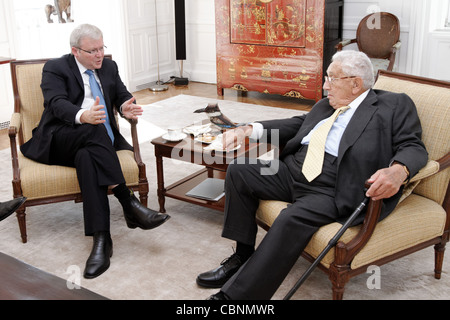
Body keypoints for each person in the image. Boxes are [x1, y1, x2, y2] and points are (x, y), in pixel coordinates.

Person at [197, 50, 428, 300]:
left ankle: (236, 299)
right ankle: (241, 256)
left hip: (333, 186)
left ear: (355, 83)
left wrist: (398, 170)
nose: (325, 85)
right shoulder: (327, 103)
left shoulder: (393, 104)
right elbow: (299, 123)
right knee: (239, 171)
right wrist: (247, 129)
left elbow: (413, 146)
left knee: (290, 219)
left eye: (331, 78)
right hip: (293, 168)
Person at [20, 24, 170, 279]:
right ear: (75, 51)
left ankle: (102, 240)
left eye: (102, 48)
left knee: (87, 157)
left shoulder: (109, 67)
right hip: (59, 138)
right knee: (93, 127)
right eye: (93, 51)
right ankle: (128, 201)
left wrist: (125, 108)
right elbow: (56, 104)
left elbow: (122, 95)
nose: (100, 54)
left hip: (94, 145)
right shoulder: (56, 68)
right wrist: (83, 115)